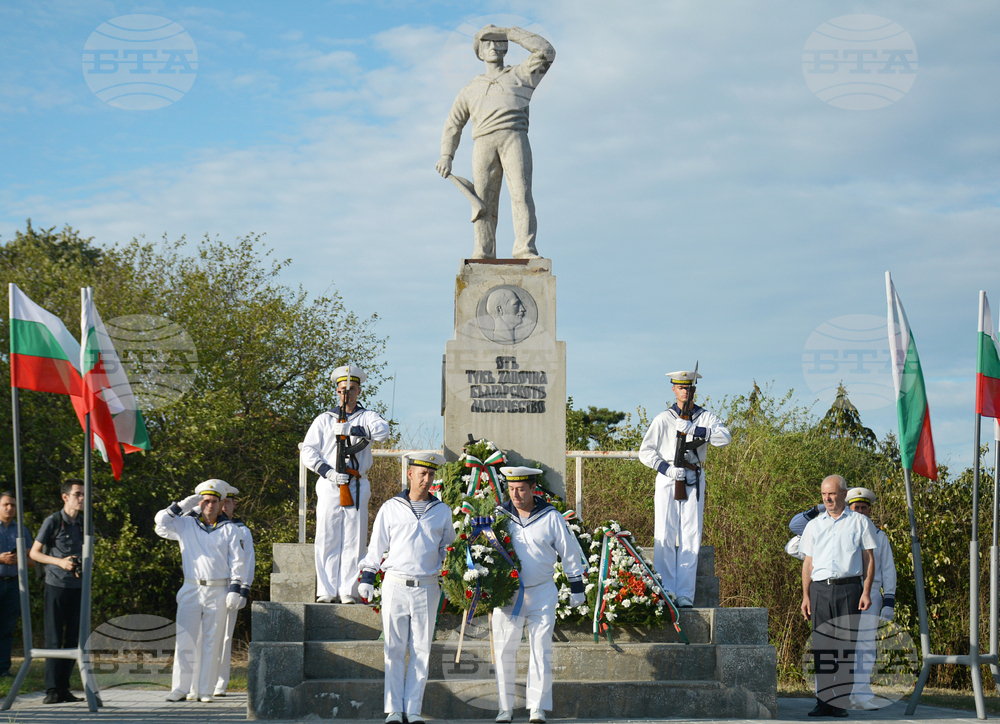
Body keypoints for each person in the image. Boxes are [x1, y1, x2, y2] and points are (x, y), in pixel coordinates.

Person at [436, 25, 556, 260]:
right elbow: (453, 124)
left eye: (498, 42)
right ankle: (484, 251)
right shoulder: (470, 89)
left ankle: (525, 248)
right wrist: (446, 155)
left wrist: (510, 32)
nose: (493, 46)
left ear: (505, 48)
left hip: (514, 137)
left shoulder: (522, 75)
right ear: (479, 52)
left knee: (521, 194)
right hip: (483, 142)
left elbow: (546, 51)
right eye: (487, 43)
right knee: (482, 200)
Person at [358, 452, 455, 724]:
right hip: (396, 584)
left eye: (431, 474)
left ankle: (413, 709)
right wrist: (367, 576)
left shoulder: (442, 511)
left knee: (421, 650)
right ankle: (394, 710)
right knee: (395, 649)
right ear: (410, 474)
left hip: (427, 586)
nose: (427, 479)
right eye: (422, 473)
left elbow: (448, 548)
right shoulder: (391, 507)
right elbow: (376, 546)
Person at [492, 466, 587, 724]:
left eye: (521, 489)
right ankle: (505, 708)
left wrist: (576, 585)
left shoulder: (550, 516)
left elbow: (569, 551)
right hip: (507, 594)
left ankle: (537, 708)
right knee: (503, 651)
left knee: (540, 649)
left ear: (534, 489)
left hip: (542, 591)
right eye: (511, 489)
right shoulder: (499, 516)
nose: (515, 494)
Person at [638, 370, 731, 608]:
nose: (685, 392)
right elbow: (645, 451)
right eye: (681, 388)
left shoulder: (705, 417)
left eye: (689, 389)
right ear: (674, 389)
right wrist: (666, 469)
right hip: (669, 477)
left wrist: (695, 430)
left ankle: (685, 594)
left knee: (690, 534)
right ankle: (666, 589)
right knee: (665, 533)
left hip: (694, 476)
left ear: (694, 391)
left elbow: (725, 437)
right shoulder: (663, 418)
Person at [302, 364, 390, 604]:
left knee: (354, 537)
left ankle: (348, 590)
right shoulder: (324, 419)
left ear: (359, 390)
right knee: (327, 535)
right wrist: (328, 472)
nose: (346, 394)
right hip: (331, 484)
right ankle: (326, 590)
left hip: (357, 483)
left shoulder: (367, 416)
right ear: (337, 391)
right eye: (342, 390)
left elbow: (382, 432)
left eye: (351, 389)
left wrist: (353, 428)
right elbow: (308, 452)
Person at [154, 479, 245, 703]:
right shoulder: (185, 525)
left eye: (214, 501)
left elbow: (238, 562)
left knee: (212, 642)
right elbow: (160, 523)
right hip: (191, 587)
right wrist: (183, 505)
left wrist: (236, 589)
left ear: (222, 502)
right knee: (185, 640)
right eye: (205, 501)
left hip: (218, 589)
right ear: (199, 502)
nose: (209, 505)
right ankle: (180, 688)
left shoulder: (230, 529)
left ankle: (205, 689)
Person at [799, 475, 878, 717]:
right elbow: (808, 564)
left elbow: (869, 559)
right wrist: (805, 595)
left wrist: (866, 591)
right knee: (822, 648)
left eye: (832, 494)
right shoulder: (814, 525)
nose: (828, 498)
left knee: (845, 648)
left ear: (844, 494)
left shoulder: (860, 522)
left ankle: (840, 703)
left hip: (849, 590)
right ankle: (823, 701)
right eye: (824, 494)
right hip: (820, 590)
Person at [29, 479, 85, 704]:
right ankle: (51, 689)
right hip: (56, 586)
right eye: (78, 494)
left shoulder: (84, 522)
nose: (82, 498)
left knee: (73, 639)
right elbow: (34, 553)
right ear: (65, 497)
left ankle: (64, 688)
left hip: (78, 587)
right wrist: (60, 562)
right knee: (53, 639)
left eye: (83, 494)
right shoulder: (53, 521)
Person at [845, 487, 896, 710]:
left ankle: (862, 695)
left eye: (864, 508)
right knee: (842, 644)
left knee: (865, 646)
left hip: (872, 592)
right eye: (857, 507)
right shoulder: (842, 531)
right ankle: (842, 693)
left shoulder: (878, 535)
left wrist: (889, 600)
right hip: (847, 590)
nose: (861, 511)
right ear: (850, 509)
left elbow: (888, 569)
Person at [214, 482, 255, 697]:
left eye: (227, 502)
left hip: (231, 589)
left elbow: (248, 562)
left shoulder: (241, 530)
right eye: (221, 502)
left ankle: (220, 683)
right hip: (209, 588)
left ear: (234, 504)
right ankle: (201, 680)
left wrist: (244, 591)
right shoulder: (206, 527)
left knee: (224, 637)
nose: (224, 506)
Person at [0, 491, 33, 679]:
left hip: (13, 584)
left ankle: (3, 669)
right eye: (5, 504)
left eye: (13, 505)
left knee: (7, 628)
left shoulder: (21, 530)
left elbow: (32, 560)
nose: (9, 508)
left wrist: (17, 559)